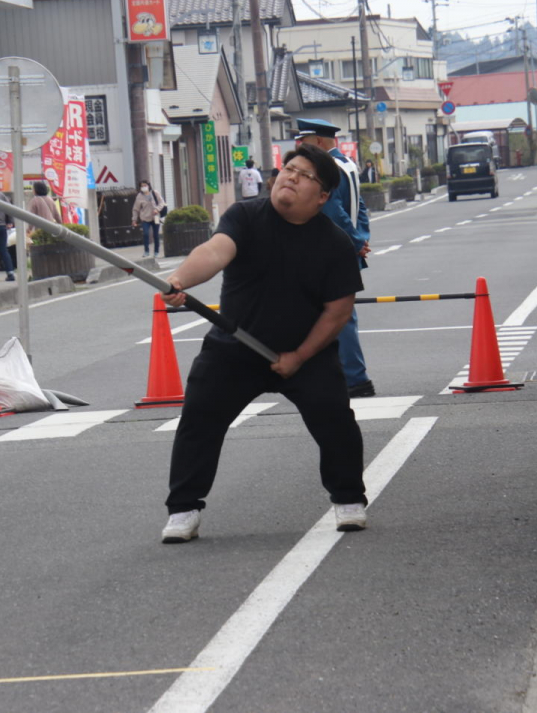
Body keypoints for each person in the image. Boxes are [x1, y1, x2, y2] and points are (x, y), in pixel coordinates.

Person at [159, 143, 369, 543]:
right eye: (289, 169)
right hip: (234, 347)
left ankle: (349, 499)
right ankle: (183, 509)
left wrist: (300, 356)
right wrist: (182, 279)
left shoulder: (335, 244)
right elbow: (215, 250)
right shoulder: (244, 216)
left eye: (305, 175)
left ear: (322, 196)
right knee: (199, 420)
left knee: (335, 421)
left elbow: (338, 311)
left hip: (305, 352)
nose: (290, 176)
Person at [295, 117, 375, 398]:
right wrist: (361, 237)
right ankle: (343, 375)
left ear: (317, 142)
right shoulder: (349, 164)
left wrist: (354, 240)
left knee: (337, 316)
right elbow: (360, 206)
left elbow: (332, 209)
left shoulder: (325, 168)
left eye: (302, 142)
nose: (298, 146)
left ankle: (354, 378)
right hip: (345, 248)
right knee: (336, 314)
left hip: (328, 250)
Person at [132, 180, 165, 258]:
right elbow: (135, 209)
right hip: (145, 218)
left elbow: (161, 202)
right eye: (142, 186)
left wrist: (157, 209)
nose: (144, 187)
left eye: (145, 185)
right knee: (145, 234)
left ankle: (156, 251)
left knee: (156, 235)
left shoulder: (154, 193)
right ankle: (146, 251)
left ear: (149, 186)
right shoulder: (139, 196)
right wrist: (134, 219)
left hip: (155, 217)